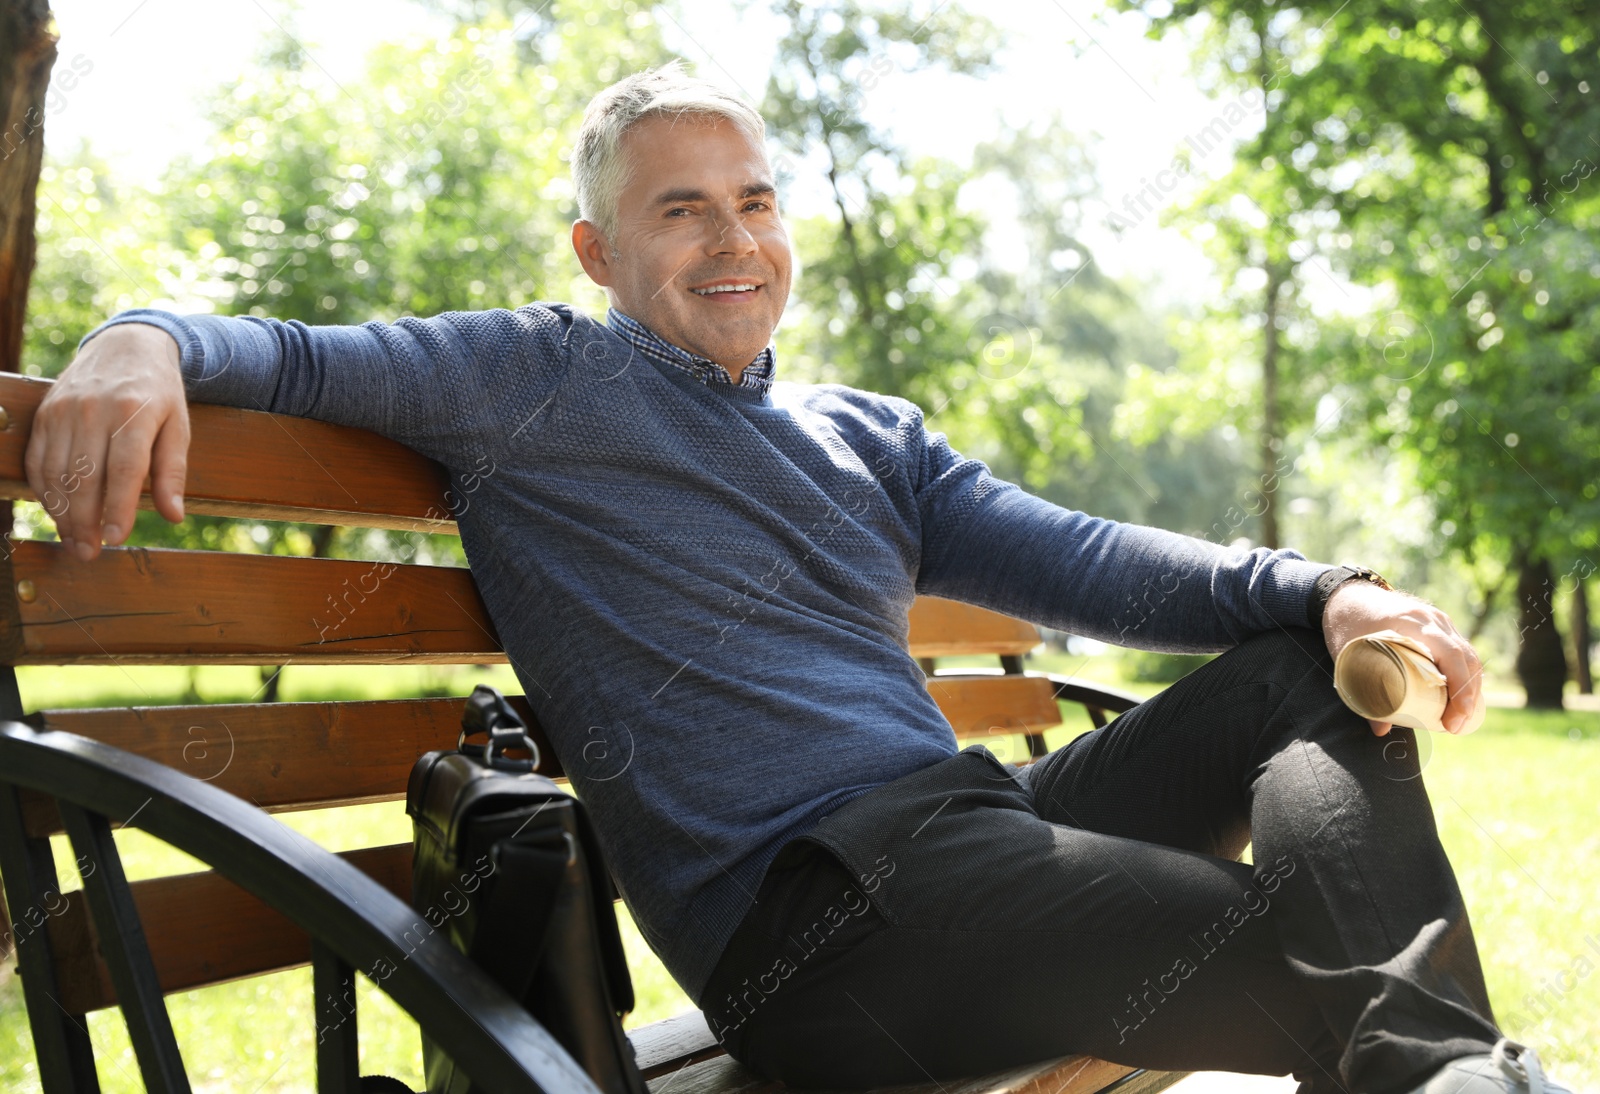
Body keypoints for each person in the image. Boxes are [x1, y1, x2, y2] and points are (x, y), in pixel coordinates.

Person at [27, 64, 1575, 1094]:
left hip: (968, 841)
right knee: (1334, 967)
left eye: (754, 198)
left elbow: (1089, 558)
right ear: (594, 249)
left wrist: (1328, 587)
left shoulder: (864, 434)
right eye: (679, 206)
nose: (732, 236)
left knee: (1302, 667)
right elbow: (290, 352)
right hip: (819, 924)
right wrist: (137, 334)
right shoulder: (525, 380)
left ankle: (1436, 1069)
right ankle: (1445, 1069)